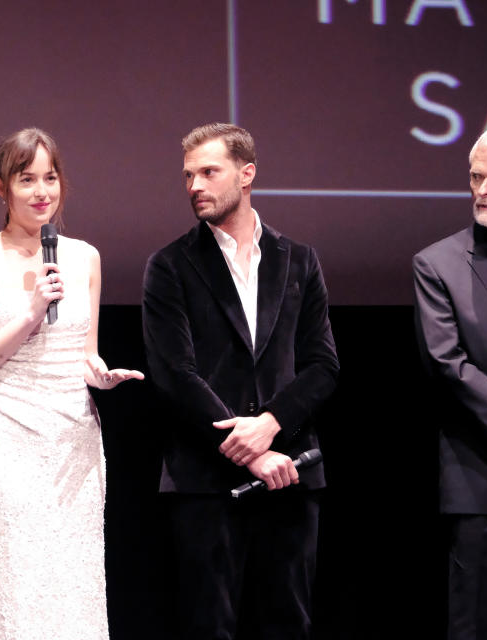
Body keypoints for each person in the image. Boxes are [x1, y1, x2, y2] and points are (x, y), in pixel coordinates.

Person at [142, 123, 339, 639]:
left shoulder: (299, 259)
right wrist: (249, 449)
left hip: (290, 473)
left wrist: (270, 424)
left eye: (209, 172)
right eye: (188, 175)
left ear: (247, 174)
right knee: (209, 628)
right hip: (206, 481)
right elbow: (174, 375)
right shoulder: (169, 266)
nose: (194, 186)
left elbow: (322, 365)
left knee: (288, 626)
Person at [0, 127, 143, 640]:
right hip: (9, 443)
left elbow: (83, 352)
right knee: (16, 591)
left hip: (75, 445)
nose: (41, 192)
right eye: (26, 179)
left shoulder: (85, 257)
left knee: (75, 591)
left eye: (50, 178)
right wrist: (30, 315)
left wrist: (100, 375)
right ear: (1, 188)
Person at [413, 124, 487, 640]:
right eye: (476, 177)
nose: (483, 191)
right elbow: (446, 363)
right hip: (485, 483)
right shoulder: (438, 264)